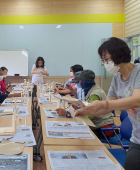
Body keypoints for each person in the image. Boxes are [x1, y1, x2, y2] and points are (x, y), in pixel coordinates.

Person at [75, 37, 140, 170]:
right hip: (137, 137)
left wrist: (104, 105)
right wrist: (86, 111)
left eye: (106, 59)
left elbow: (137, 100)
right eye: (103, 61)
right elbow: (108, 105)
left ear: (119, 55)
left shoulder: (138, 72)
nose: (105, 64)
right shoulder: (117, 78)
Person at [56, 70, 114, 138]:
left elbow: (89, 116)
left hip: (102, 127)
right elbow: (87, 107)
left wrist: (68, 113)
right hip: (96, 123)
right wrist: (77, 107)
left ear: (84, 82)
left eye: (80, 81)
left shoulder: (95, 94)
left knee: (74, 133)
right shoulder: (91, 89)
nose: (79, 83)